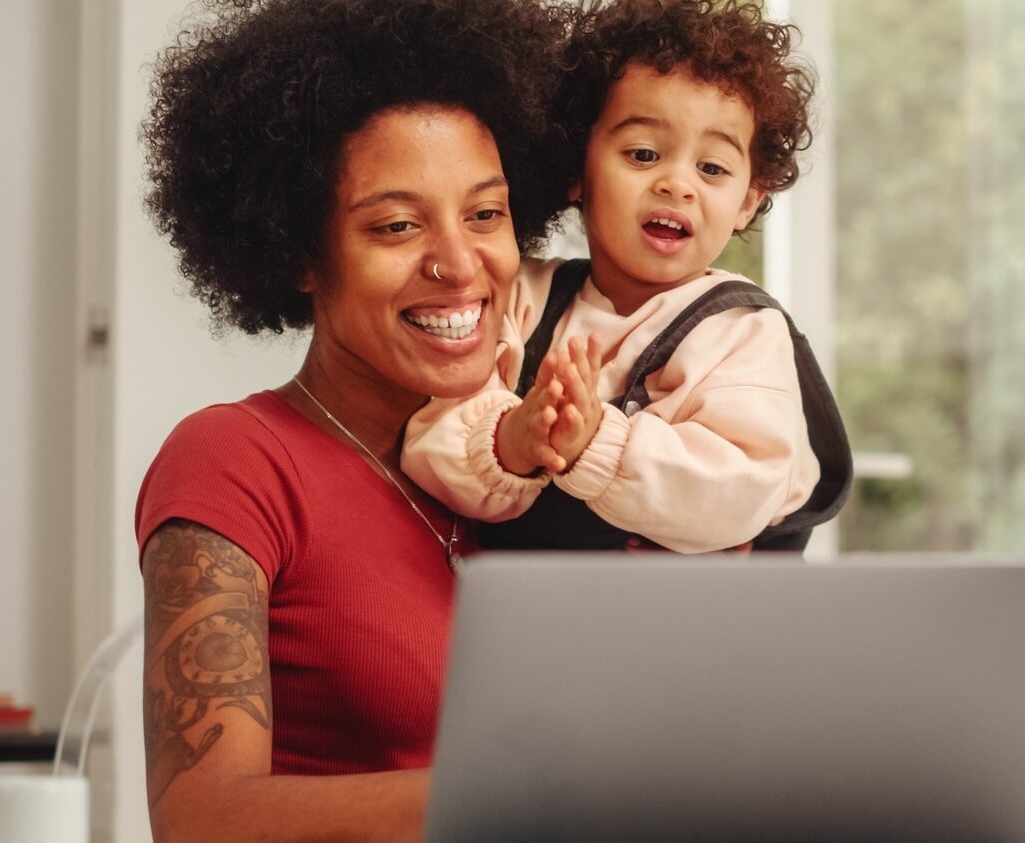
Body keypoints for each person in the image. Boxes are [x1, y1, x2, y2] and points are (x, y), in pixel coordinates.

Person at [134, 0, 573, 839]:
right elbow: (201, 817)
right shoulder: (236, 460)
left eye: (485, 214)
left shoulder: (547, 449)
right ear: (297, 251)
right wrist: (526, 788)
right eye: (397, 226)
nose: (456, 264)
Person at [402, 0, 850, 554]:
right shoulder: (524, 297)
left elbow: (741, 490)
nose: (677, 184)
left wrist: (597, 443)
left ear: (746, 202)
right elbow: (432, 432)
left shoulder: (740, 330)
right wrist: (513, 441)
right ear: (574, 170)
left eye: (711, 168)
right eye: (643, 153)